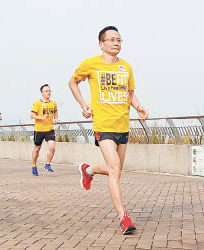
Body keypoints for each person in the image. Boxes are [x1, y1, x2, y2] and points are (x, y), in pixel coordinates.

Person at [68, 26, 149, 234]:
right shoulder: (91, 64)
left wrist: (139, 107)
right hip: (103, 126)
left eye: (119, 40)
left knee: (116, 170)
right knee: (114, 169)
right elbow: (73, 82)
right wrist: (83, 104)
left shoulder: (126, 67)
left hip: (123, 125)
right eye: (112, 40)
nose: (116, 43)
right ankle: (124, 218)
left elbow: (130, 94)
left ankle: (88, 170)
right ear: (101, 44)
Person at [30, 84, 58, 176]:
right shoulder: (37, 103)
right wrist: (41, 117)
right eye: (46, 91)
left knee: (52, 146)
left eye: (49, 91)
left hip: (49, 129)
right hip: (39, 130)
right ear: (42, 93)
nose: (48, 92)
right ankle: (34, 166)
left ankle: (47, 164)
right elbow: (32, 115)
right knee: (37, 148)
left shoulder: (53, 103)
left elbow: (55, 111)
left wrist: (55, 118)